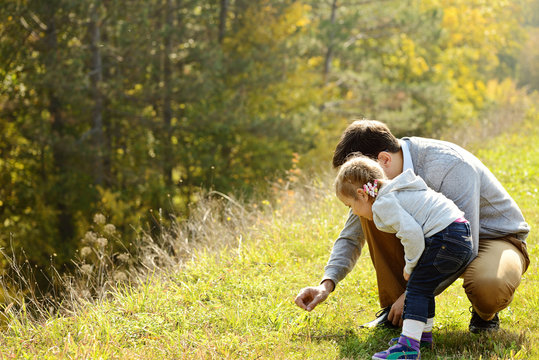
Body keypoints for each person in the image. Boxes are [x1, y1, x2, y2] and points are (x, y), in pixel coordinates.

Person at [295, 120, 530, 334]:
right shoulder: (373, 190)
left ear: (383, 159)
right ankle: (397, 312)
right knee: (369, 215)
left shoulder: (449, 165)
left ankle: (484, 316)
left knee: (487, 285)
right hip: (436, 233)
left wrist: (414, 293)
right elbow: (351, 236)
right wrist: (326, 284)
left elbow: (467, 244)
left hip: (491, 236)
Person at [334, 155, 474, 359]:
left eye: (350, 206)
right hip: (459, 234)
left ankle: (407, 348)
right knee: (424, 287)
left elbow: (412, 234)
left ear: (362, 195)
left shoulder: (383, 203)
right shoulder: (397, 190)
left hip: (447, 237)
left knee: (416, 287)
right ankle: (422, 337)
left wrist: (410, 266)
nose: (354, 212)